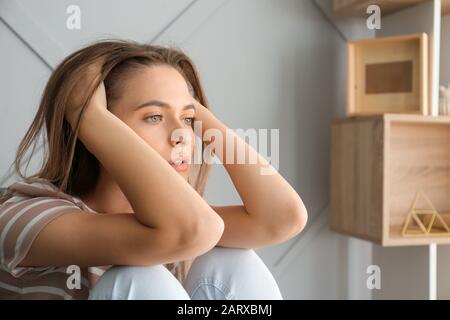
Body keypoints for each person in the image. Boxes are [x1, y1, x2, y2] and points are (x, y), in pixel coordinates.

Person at [0, 39, 307, 299]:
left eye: (187, 121)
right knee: (139, 278)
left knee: (231, 261)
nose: (182, 135)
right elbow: (191, 230)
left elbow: (283, 218)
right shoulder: (22, 215)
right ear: (98, 132)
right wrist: (88, 117)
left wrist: (191, 108)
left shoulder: (172, 222)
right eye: (154, 117)